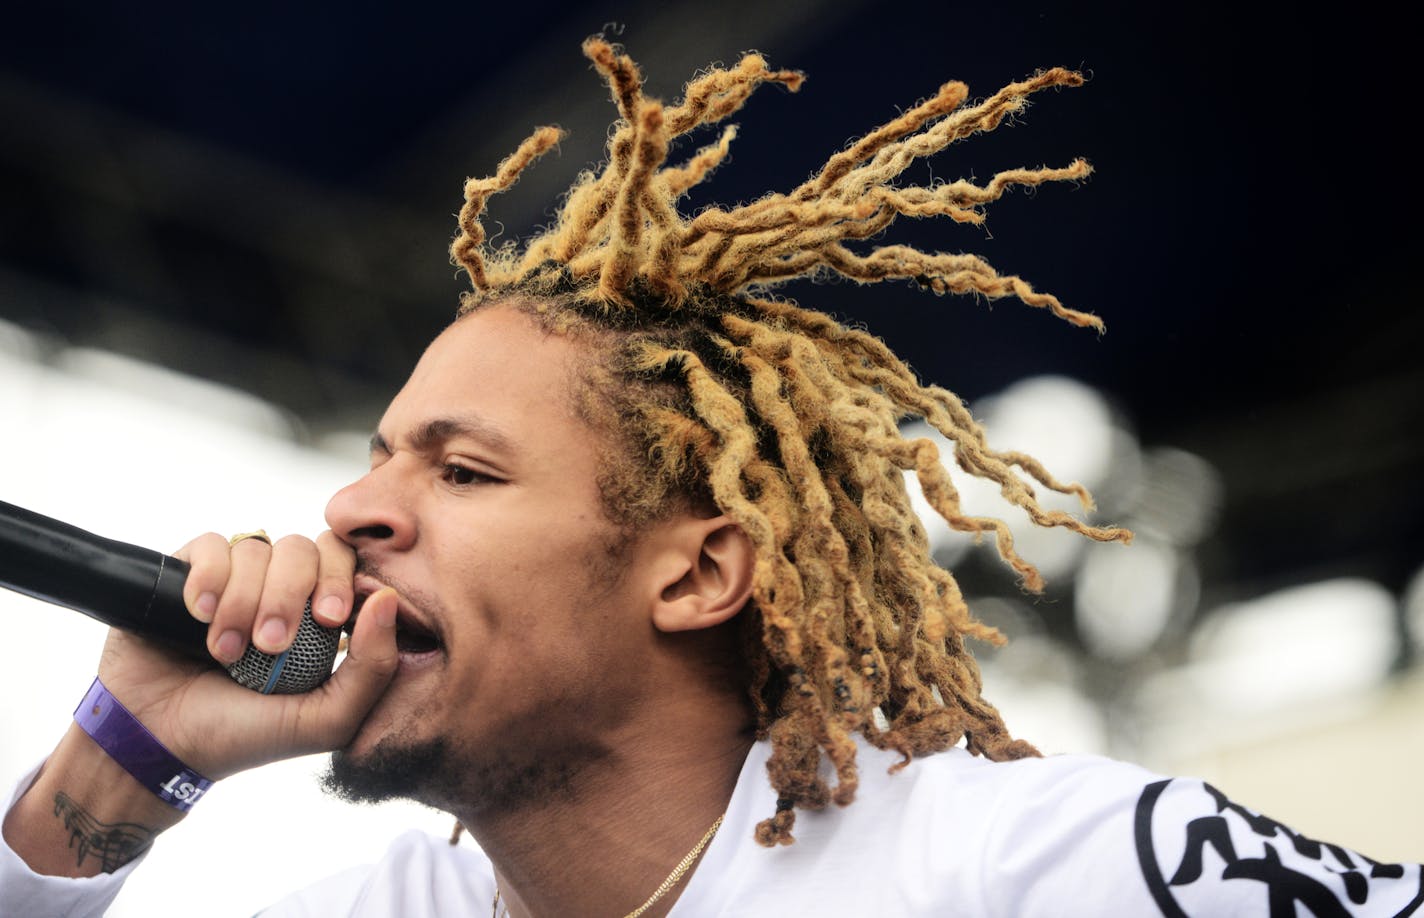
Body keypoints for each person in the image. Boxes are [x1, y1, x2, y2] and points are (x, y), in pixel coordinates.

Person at [2, 37, 1420, 918]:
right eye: (375, 462)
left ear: (696, 569)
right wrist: (125, 753)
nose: (354, 513)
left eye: (464, 469)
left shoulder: (1032, 874)